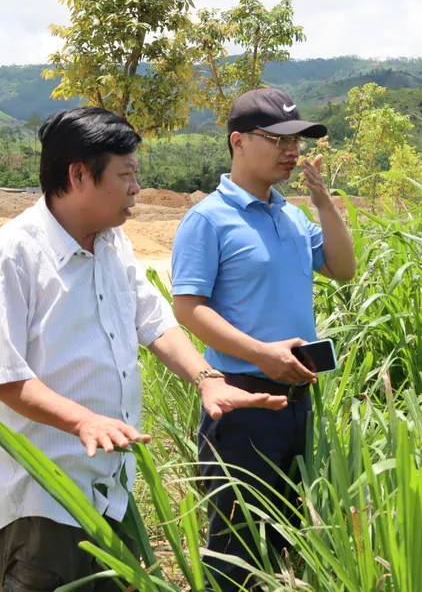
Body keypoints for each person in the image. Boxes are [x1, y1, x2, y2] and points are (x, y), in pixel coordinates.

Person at [0, 106, 288, 591]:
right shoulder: (13, 254)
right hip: (46, 501)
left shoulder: (114, 243)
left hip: (113, 492)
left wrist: (209, 381)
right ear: (78, 175)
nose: (137, 188)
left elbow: (154, 322)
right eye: (126, 175)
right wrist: (83, 421)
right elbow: (3, 377)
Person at [170, 87, 357, 591]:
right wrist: (261, 355)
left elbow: (343, 268)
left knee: (288, 541)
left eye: (296, 139)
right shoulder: (208, 219)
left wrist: (323, 203)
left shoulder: (292, 216)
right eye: (276, 138)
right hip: (242, 401)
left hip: (299, 400)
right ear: (237, 142)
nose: (291, 150)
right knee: (235, 551)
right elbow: (187, 308)